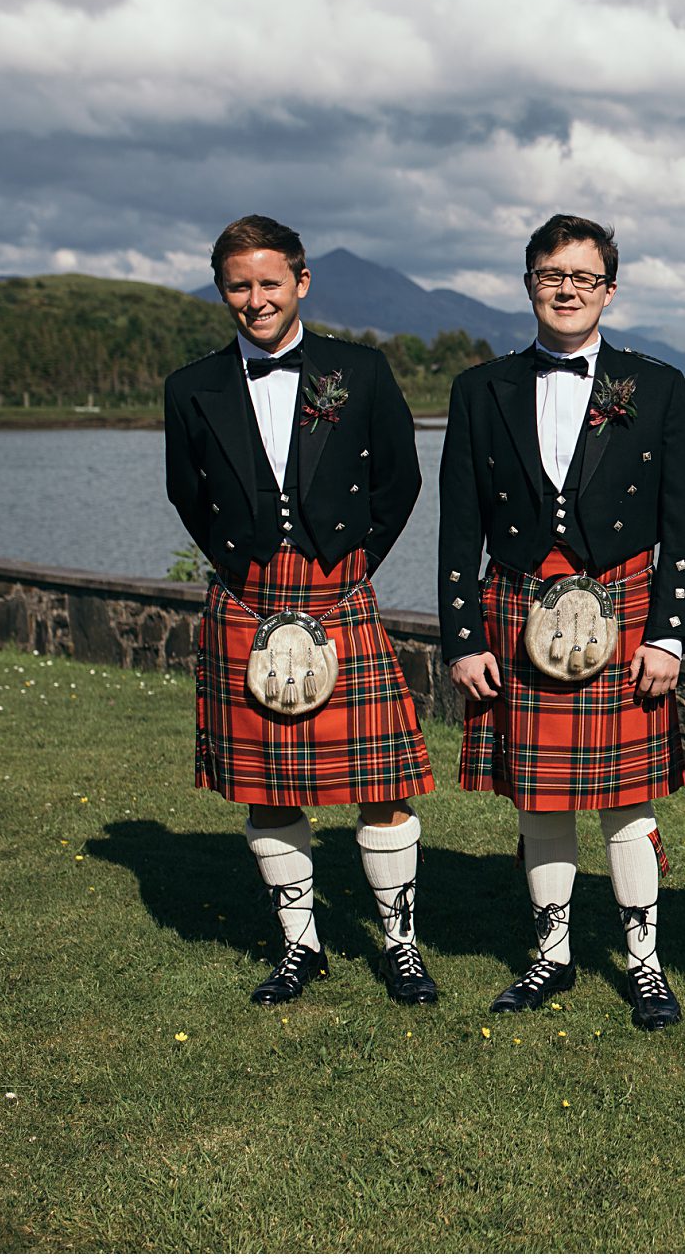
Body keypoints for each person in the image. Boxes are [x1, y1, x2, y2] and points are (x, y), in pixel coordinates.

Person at [438, 214, 685, 1031]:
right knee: (539, 800)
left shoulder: (655, 385)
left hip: (622, 608)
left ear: (608, 290)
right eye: (551, 274)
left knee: (628, 803)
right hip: (516, 607)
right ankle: (551, 959)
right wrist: (462, 635)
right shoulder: (481, 389)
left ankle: (646, 965)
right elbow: (458, 518)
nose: (566, 289)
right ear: (529, 283)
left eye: (583, 278)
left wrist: (667, 634)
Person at [164, 214, 438, 1006]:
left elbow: (401, 481)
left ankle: (402, 946)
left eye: (269, 283)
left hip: (338, 589)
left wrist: (354, 567)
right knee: (269, 783)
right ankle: (300, 947)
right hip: (247, 594)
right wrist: (239, 563)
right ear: (224, 291)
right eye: (239, 286)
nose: (255, 299)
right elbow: (187, 491)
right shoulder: (192, 386)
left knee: (381, 781)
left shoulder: (360, 368)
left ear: (301, 282)